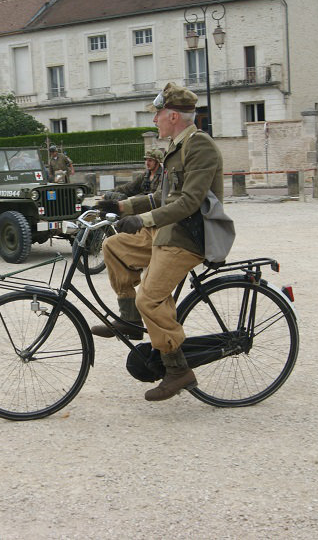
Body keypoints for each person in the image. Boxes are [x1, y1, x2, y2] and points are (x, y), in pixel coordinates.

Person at [93, 82, 224, 402]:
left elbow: (190, 202)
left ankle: (178, 369)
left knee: (150, 298)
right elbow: (161, 197)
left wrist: (144, 220)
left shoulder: (200, 146)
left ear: (174, 116)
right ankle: (131, 321)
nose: (154, 120)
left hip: (187, 237)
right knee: (114, 247)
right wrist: (123, 207)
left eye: (158, 115)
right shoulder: (177, 146)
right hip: (166, 231)